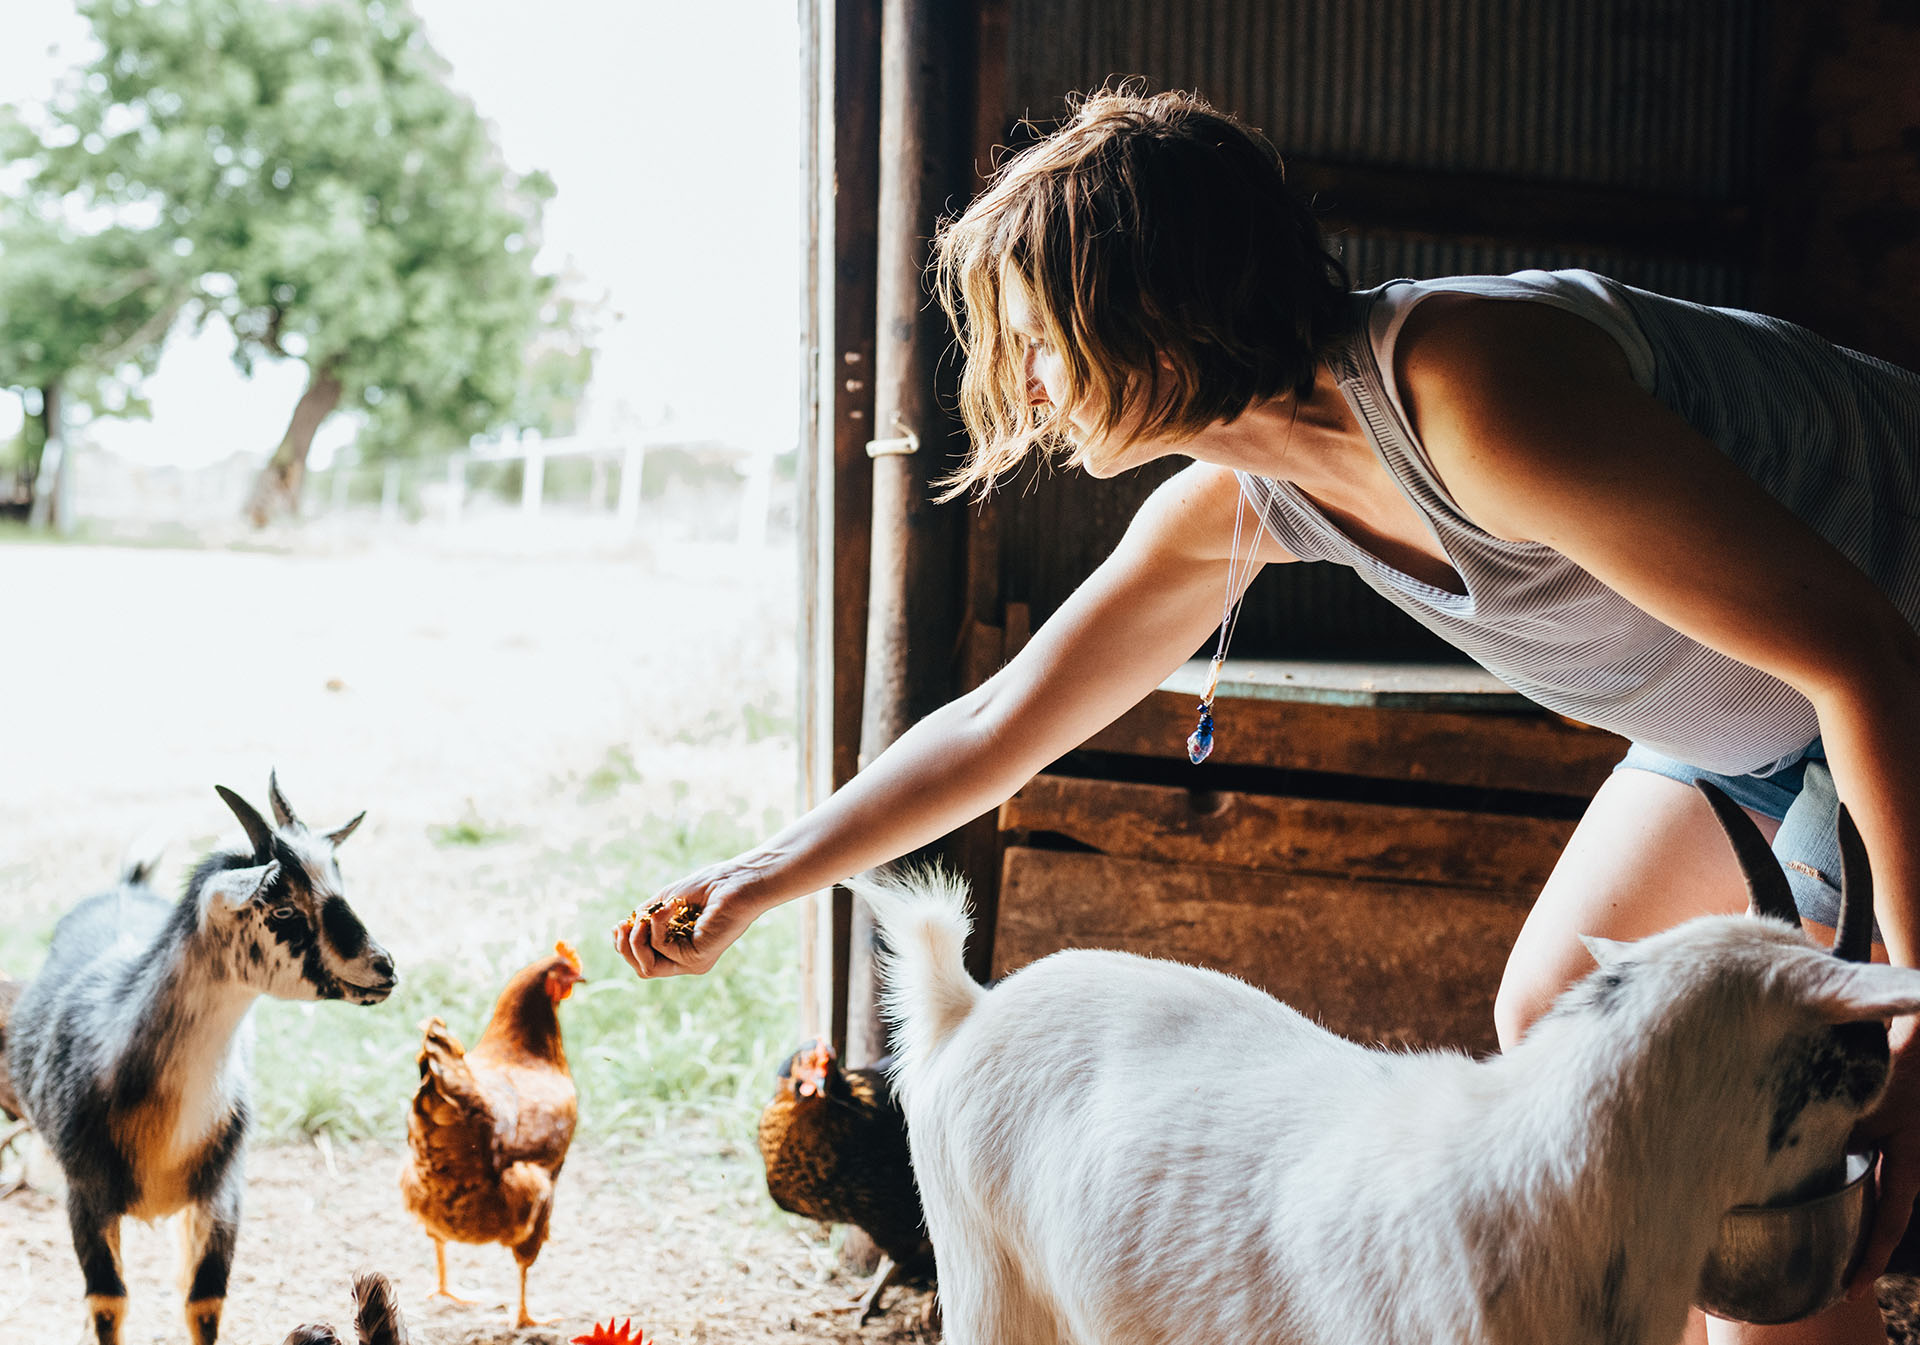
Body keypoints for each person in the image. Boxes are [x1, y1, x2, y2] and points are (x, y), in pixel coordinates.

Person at [615, 87, 1920, 1343]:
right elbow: (1000, 720)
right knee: (1559, 1032)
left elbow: (1864, 653)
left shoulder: (1471, 388)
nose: (1018, 384)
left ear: (1158, 321)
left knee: (1777, 1194)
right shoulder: (1248, 490)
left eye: (1037, 339)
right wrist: (756, 878)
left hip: (1883, 682)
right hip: (1742, 731)